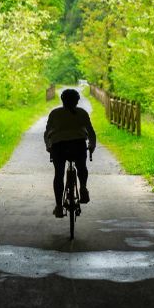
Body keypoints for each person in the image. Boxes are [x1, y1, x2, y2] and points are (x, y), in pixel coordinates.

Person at [44, 88, 96, 218]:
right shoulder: (82, 113)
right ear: (77, 101)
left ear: (62, 100)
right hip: (78, 145)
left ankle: (59, 207)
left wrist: (48, 146)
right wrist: (91, 145)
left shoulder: (55, 113)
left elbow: (47, 132)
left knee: (59, 174)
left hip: (59, 146)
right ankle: (83, 187)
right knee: (81, 167)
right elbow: (90, 132)